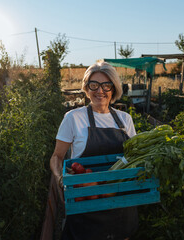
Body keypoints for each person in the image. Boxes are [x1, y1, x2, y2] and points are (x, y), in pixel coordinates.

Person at [50, 61, 138, 240]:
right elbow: (57, 156)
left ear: (114, 88)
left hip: (121, 205)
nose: (100, 90)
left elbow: (134, 157)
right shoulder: (74, 118)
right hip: (86, 204)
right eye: (94, 85)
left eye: (106, 85)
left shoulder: (125, 119)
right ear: (86, 88)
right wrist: (60, 178)